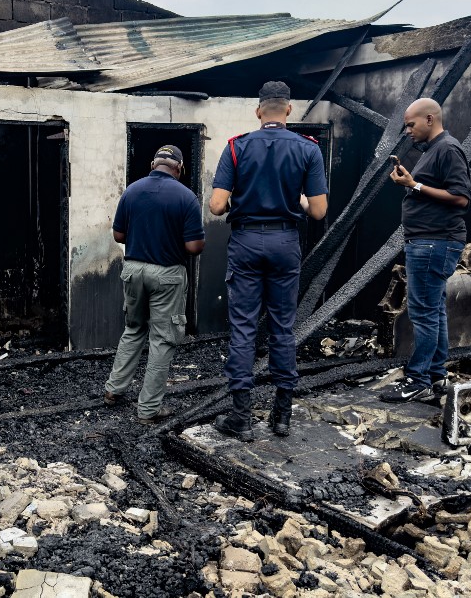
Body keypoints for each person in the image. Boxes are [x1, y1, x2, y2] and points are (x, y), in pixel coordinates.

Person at [209, 81, 328, 441]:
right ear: (288, 110)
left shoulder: (236, 147)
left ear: (259, 111)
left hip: (246, 240)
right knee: (282, 326)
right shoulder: (308, 150)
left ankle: (241, 419)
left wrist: (242, 202)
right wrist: (298, 203)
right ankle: (281, 417)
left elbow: (216, 206)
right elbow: (319, 211)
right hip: (285, 242)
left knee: (244, 327)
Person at [103, 145, 205, 424]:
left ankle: (114, 390)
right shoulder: (186, 197)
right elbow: (194, 246)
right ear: (179, 169)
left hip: (133, 270)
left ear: (152, 164)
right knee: (162, 339)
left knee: (134, 328)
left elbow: (119, 235)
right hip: (167, 275)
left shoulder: (132, 191)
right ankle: (148, 410)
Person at [380, 98, 471, 402]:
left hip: (435, 242)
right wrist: (411, 182)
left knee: (423, 312)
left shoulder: (448, 149)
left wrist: (415, 185)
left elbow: (461, 197)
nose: (407, 130)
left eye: (411, 124)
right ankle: (437, 376)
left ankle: (417, 379)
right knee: (433, 311)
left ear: (430, 119)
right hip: (429, 241)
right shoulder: (433, 150)